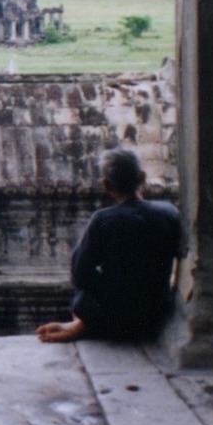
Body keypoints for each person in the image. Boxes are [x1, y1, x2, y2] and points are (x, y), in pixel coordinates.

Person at [37, 146, 185, 344]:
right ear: (142, 178)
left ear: (106, 185)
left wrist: (114, 288)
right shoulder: (169, 213)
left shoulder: (103, 220)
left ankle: (83, 324)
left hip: (114, 315)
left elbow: (80, 273)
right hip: (155, 312)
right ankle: (86, 324)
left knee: (83, 298)